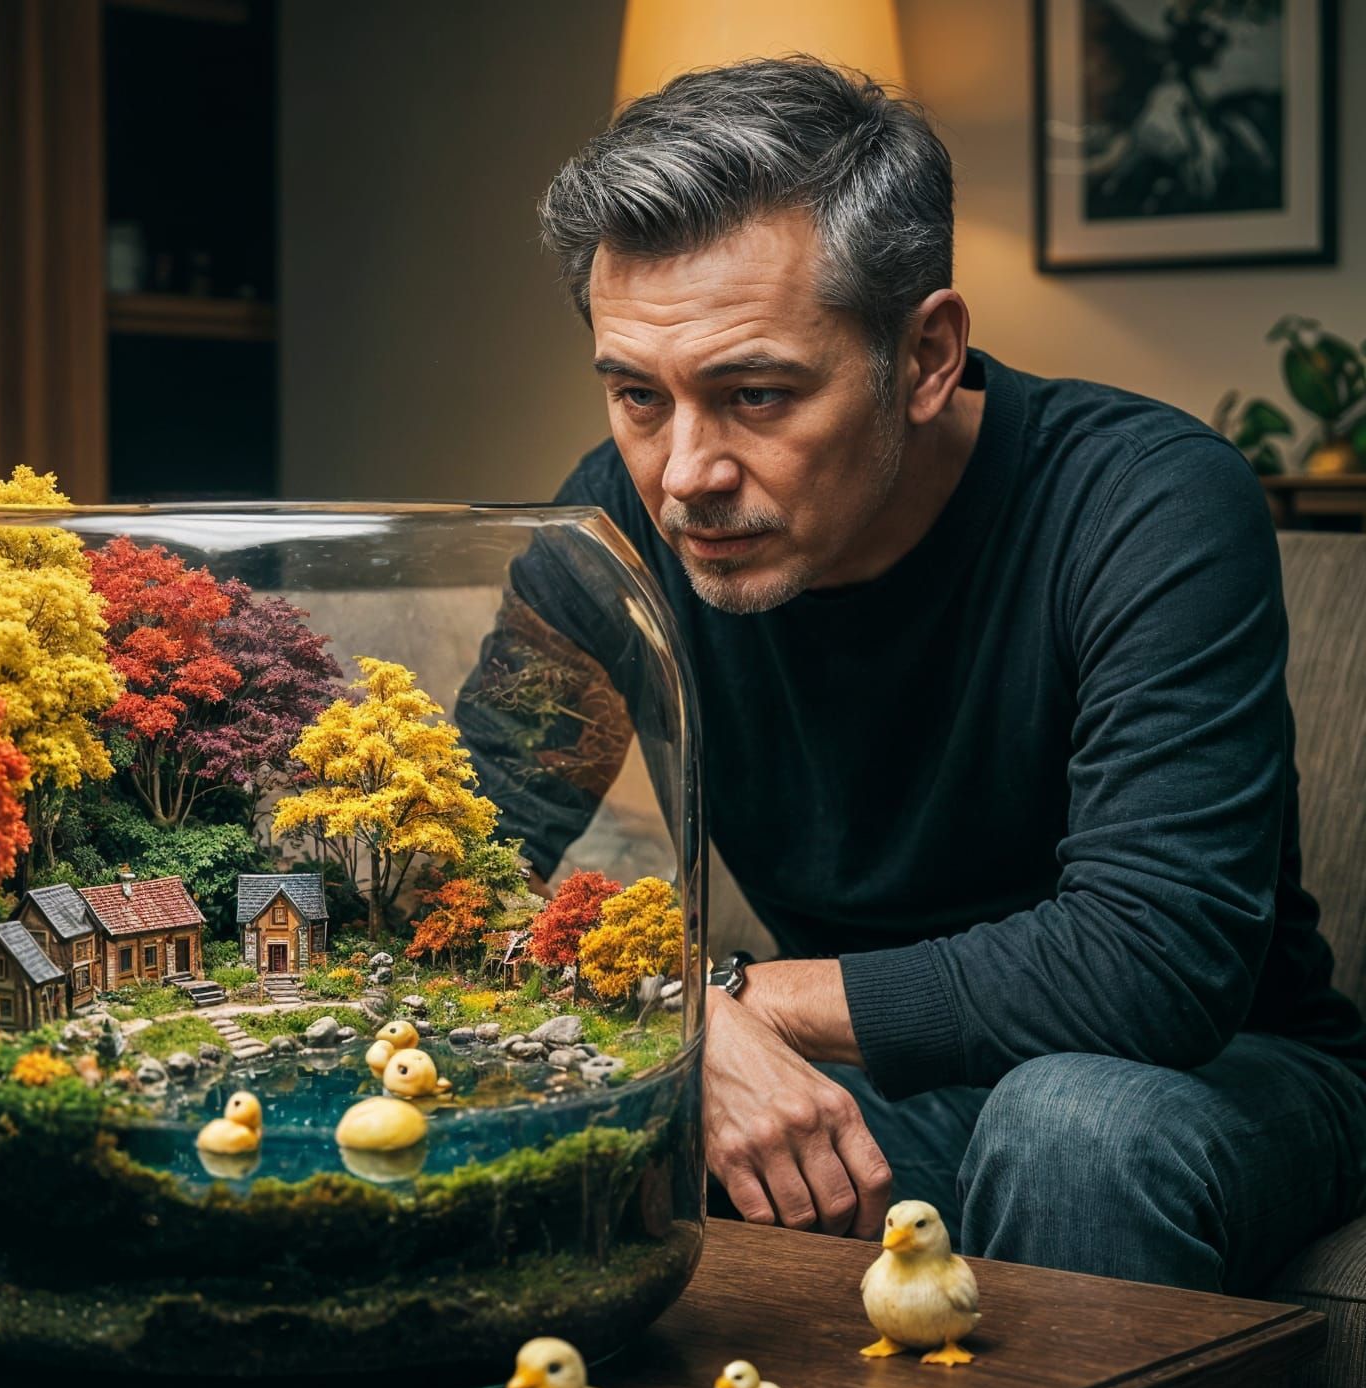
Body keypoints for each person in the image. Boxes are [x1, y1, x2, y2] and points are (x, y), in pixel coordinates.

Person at [465, 56, 1366, 1295]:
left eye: (757, 394)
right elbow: (447, 858)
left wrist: (725, 996)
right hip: (879, 1083)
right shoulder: (614, 529)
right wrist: (684, 1028)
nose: (682, 473)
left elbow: (1153, 961)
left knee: (1071, 1127)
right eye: (637, 396)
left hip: (1214, 1075)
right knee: (539, 1129)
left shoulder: (1148, 503)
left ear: (927, 354)